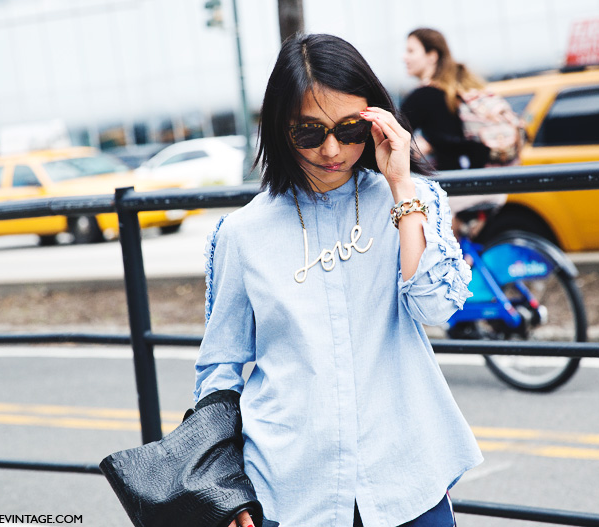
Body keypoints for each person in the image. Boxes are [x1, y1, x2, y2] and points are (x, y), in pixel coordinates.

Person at [195, 33, 483, 527]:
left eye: (349, 129)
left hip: (405, 477)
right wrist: (224, 485)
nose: (332, 150)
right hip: (288, 486)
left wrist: (400, 186)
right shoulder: (242, 234)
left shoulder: (414, 200)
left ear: (376, 118)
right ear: (281, 130)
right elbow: (220, 367)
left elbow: (436, 307)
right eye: (308, 132)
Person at [400, 27, 491, 171]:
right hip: (488, 178)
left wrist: (426, 146)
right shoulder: (462, 88)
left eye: (411, 51)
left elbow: (394, 138)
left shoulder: (422, 96)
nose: (404, 57)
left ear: (432, 56)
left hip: (455, 185)